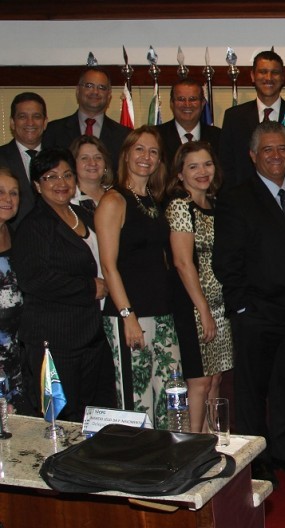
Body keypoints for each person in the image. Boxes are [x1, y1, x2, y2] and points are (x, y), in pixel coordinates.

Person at [213, 121, 285, 486]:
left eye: (282, 148)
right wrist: (242, 307)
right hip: (255, 312)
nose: (276, 156)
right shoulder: (237, 198)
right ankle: (257, 459)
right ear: (253, 155)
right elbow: (226, 261)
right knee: (252, 393)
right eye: (267, 149)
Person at [13, 150, 116, 421]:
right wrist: (88, 288)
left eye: (67, 175)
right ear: (37, 184)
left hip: (91, 335)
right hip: (55, 340)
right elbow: (34, 279)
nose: (61, 182)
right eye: (51, 177)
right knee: (63, 420)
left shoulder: (85, 213)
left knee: (98, 417)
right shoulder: (34, 226)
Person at [95, 126, 181, 429]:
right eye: (140, 149)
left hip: (161, 312)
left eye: (153, 151)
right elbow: (109, 266)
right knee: (136, 400)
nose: (146, 156)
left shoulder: (153, 201)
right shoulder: (113, 201)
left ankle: (166, 463)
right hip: (130, 315)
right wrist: (127, 315)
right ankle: (137, 469)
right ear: (126, 155)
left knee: (170, 394)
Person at [165, 141, 233, 434]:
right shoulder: (180, 206)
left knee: (216, 379)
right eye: (193, 166)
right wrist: (203, 309)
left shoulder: (216, 204)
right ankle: (194, 445)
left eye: (207, 164)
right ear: (180, 174)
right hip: (194, 306)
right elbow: (182, 262)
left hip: (221, 306)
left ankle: (212, 439)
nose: (202, 171)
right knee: (200, 381)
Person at [219, 50, 285, 190]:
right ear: (253, 76)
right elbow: (227, 166)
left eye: (275, 72)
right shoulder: (234, 117)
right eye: (263, 72)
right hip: (245, 201)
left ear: (282, 77)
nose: (269, 77)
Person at [42, 68, 129, 168]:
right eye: (89, 86)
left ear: (109, 95)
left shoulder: (124, 135)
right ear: (78, 91)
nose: (95, 92)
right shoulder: (53, 131)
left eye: (102, 87)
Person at [0, 167, 26, 413]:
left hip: (13, 355)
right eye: (0, 192)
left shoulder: (15, 234)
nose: (8, 199)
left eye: (14, 193)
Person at [0, 92, 46, 224]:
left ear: (45, 123)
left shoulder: (58, 160)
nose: (30, 122)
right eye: (22, 116)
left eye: (36, 116)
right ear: (12, 123)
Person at [156, 78, 222, 170]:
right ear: (172, 103)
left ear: (202, 103)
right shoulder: (156, 136)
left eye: (193, 99)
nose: (187, 104)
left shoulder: (219, 137)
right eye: (181, 99)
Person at [69, 135, 111, 213]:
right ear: (73, 164)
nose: (92, 163)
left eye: (98, 157)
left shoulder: (116, 194)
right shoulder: (68, 200)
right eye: (84, 158)